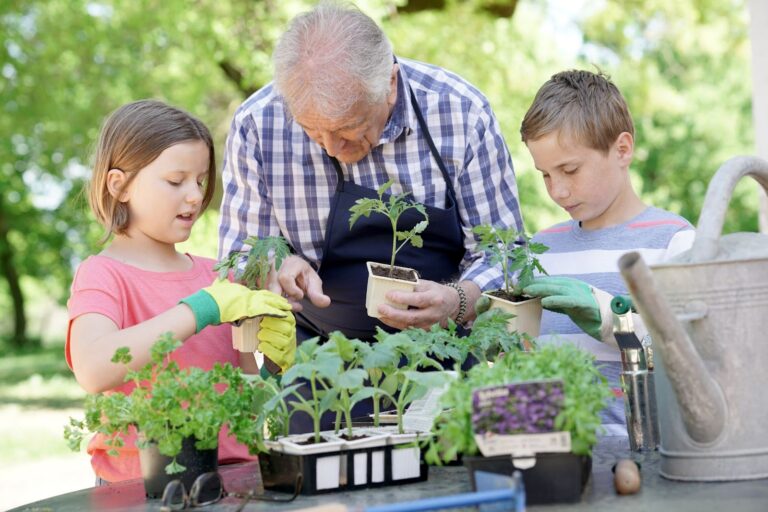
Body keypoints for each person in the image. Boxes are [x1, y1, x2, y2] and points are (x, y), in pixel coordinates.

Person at [218, 2, 524, 346]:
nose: (332, 148)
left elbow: (508, 252)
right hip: (316, 362)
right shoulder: (258, 125)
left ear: (390, 84)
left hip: (442, 349)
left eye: (349, 128)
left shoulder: (461, 114)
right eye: (313, 132)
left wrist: (459, 300)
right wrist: (278, 266)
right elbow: (239, 256)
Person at [66, 99, 296, 483]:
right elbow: (92, 367)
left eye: (201, 181)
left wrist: (273, 368)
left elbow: (249, 402)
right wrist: (201, 309)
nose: (194, 196)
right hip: (141, 487)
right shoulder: (102, 275)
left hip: (235, 477)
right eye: (176, 181)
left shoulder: (216, 276)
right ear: (119, 186)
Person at [519, 70, 695, 432]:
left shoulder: (674, 243)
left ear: (622, 149)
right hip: (562, 460)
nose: (558, 191)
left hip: (649, 463)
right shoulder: (541, 251)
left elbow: (696, 361)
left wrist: (613, 321)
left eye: (570, 169)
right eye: (546, 174)